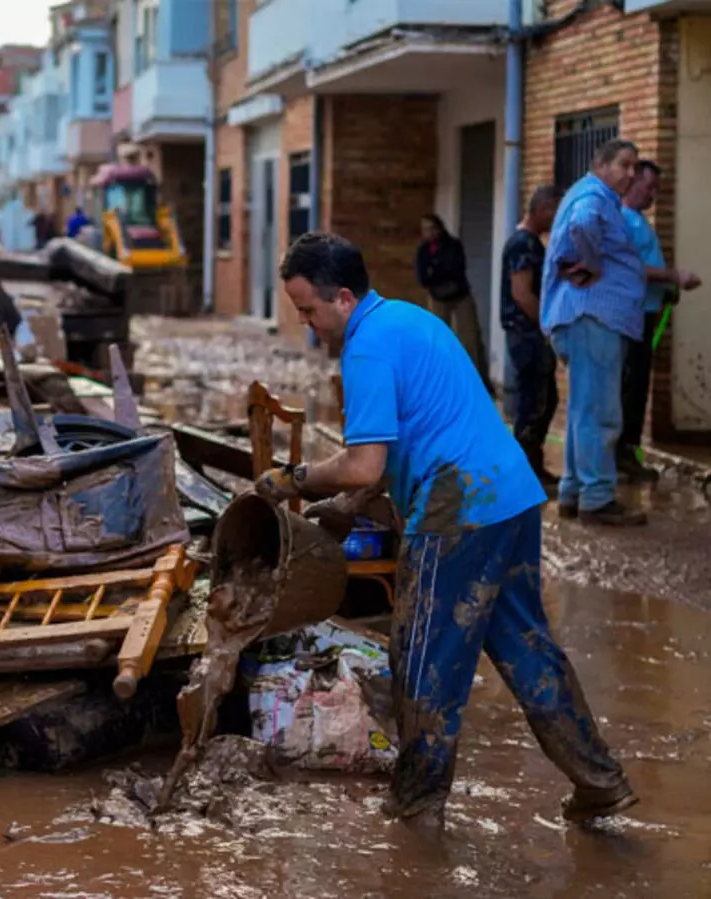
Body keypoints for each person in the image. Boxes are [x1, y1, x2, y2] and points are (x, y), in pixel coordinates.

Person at [257, 231, 635, 832]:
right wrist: (349, 503)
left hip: (457, 508)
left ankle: (417, 805)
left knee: (424, 658)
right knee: (526, 646)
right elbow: (407, 441)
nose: (309, 325)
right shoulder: (409, 319)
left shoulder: (366, 350)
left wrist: (295, 479)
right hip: (509, 495)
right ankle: (600, 781)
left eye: (309, 310)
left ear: (344, 298)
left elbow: (364, 462)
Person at [544, 138, 652, 526]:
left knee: (583, 410)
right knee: (601, 412)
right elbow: (583, 224)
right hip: (595, 319)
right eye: (624, 165)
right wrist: (591, 263)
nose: (630, 174)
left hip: (587, 320)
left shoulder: (588, 193)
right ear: (601, 164)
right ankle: (597, 497)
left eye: (634, 167)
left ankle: (576, 491)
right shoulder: (594, 195)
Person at [618, 159, 701, 483]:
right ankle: (622, 455)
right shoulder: (623, 220)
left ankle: (627, 452)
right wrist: (673, 276)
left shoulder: (638, 221)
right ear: (631, 183)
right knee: (631, 388)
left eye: (657, 189)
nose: (653, 195)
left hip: (646, 312)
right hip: (632, 317)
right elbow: (631, 268)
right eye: (648, 187)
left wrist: (666, 288)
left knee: (638, 387)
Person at [500, 185, 564, 488]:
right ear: (543, 209)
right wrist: (546, 325)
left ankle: (530, 468)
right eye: (555, 212)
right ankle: (525, 473)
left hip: (528, 333)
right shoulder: (523, 245)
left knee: (542, 399)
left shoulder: (529, 243)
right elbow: (522, 293)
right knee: (535, 402)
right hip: (527, 334)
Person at [415, 214, 492, 392]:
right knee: (436, 338)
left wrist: (435, 270)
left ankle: (478, 382)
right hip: (437, 297)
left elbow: (455, 270)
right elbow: (423, 278)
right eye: (425, 230)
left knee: (469, 338)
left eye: (432, 228)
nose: (430, 233)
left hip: (459, 295)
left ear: (440, 228)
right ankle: (439, 382)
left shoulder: (453, 245)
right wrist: (436, 272)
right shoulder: (423, 251)